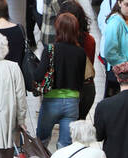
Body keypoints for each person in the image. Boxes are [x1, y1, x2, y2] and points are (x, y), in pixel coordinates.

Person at [33, 12, 87, 149]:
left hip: (51, 101)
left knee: (42, 141)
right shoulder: (81, 52)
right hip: (72, 102)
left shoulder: (50, 50)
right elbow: (81, 80)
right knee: (65, 145)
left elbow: (38, 76)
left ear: (58, 29)